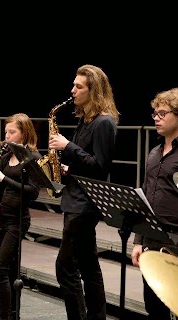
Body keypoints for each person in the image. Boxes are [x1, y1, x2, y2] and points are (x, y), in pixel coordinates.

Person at [49, 64, 120, 320]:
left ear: (94, 90)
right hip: (75, 198)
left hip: (85, 204)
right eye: (74, 85)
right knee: (89, 266)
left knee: (65, 267)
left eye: (79, 86)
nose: (73, 90)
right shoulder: (86, 121)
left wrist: (68, 146)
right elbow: (86, 162)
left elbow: (100, 167)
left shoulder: (104, 123)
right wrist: (67, 167)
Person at [131, 87, 178, 319]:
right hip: (151, 239)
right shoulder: (154, 152)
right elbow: (145, 197)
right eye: (155, 114)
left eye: (162, 113)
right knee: (154, 308)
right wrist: (138, 240)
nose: (156, 118)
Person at [0, 113, 41, 320]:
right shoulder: (6, 157)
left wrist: (2, 177)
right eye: (6, 132)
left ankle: (4, 316)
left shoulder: (32, 158)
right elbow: (0, 192)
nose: (7, 136)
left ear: (24, 133)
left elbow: (32, 192)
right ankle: (13, 315)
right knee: (11, 271)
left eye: (12, 132)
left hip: (18, 220)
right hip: (3, 217)